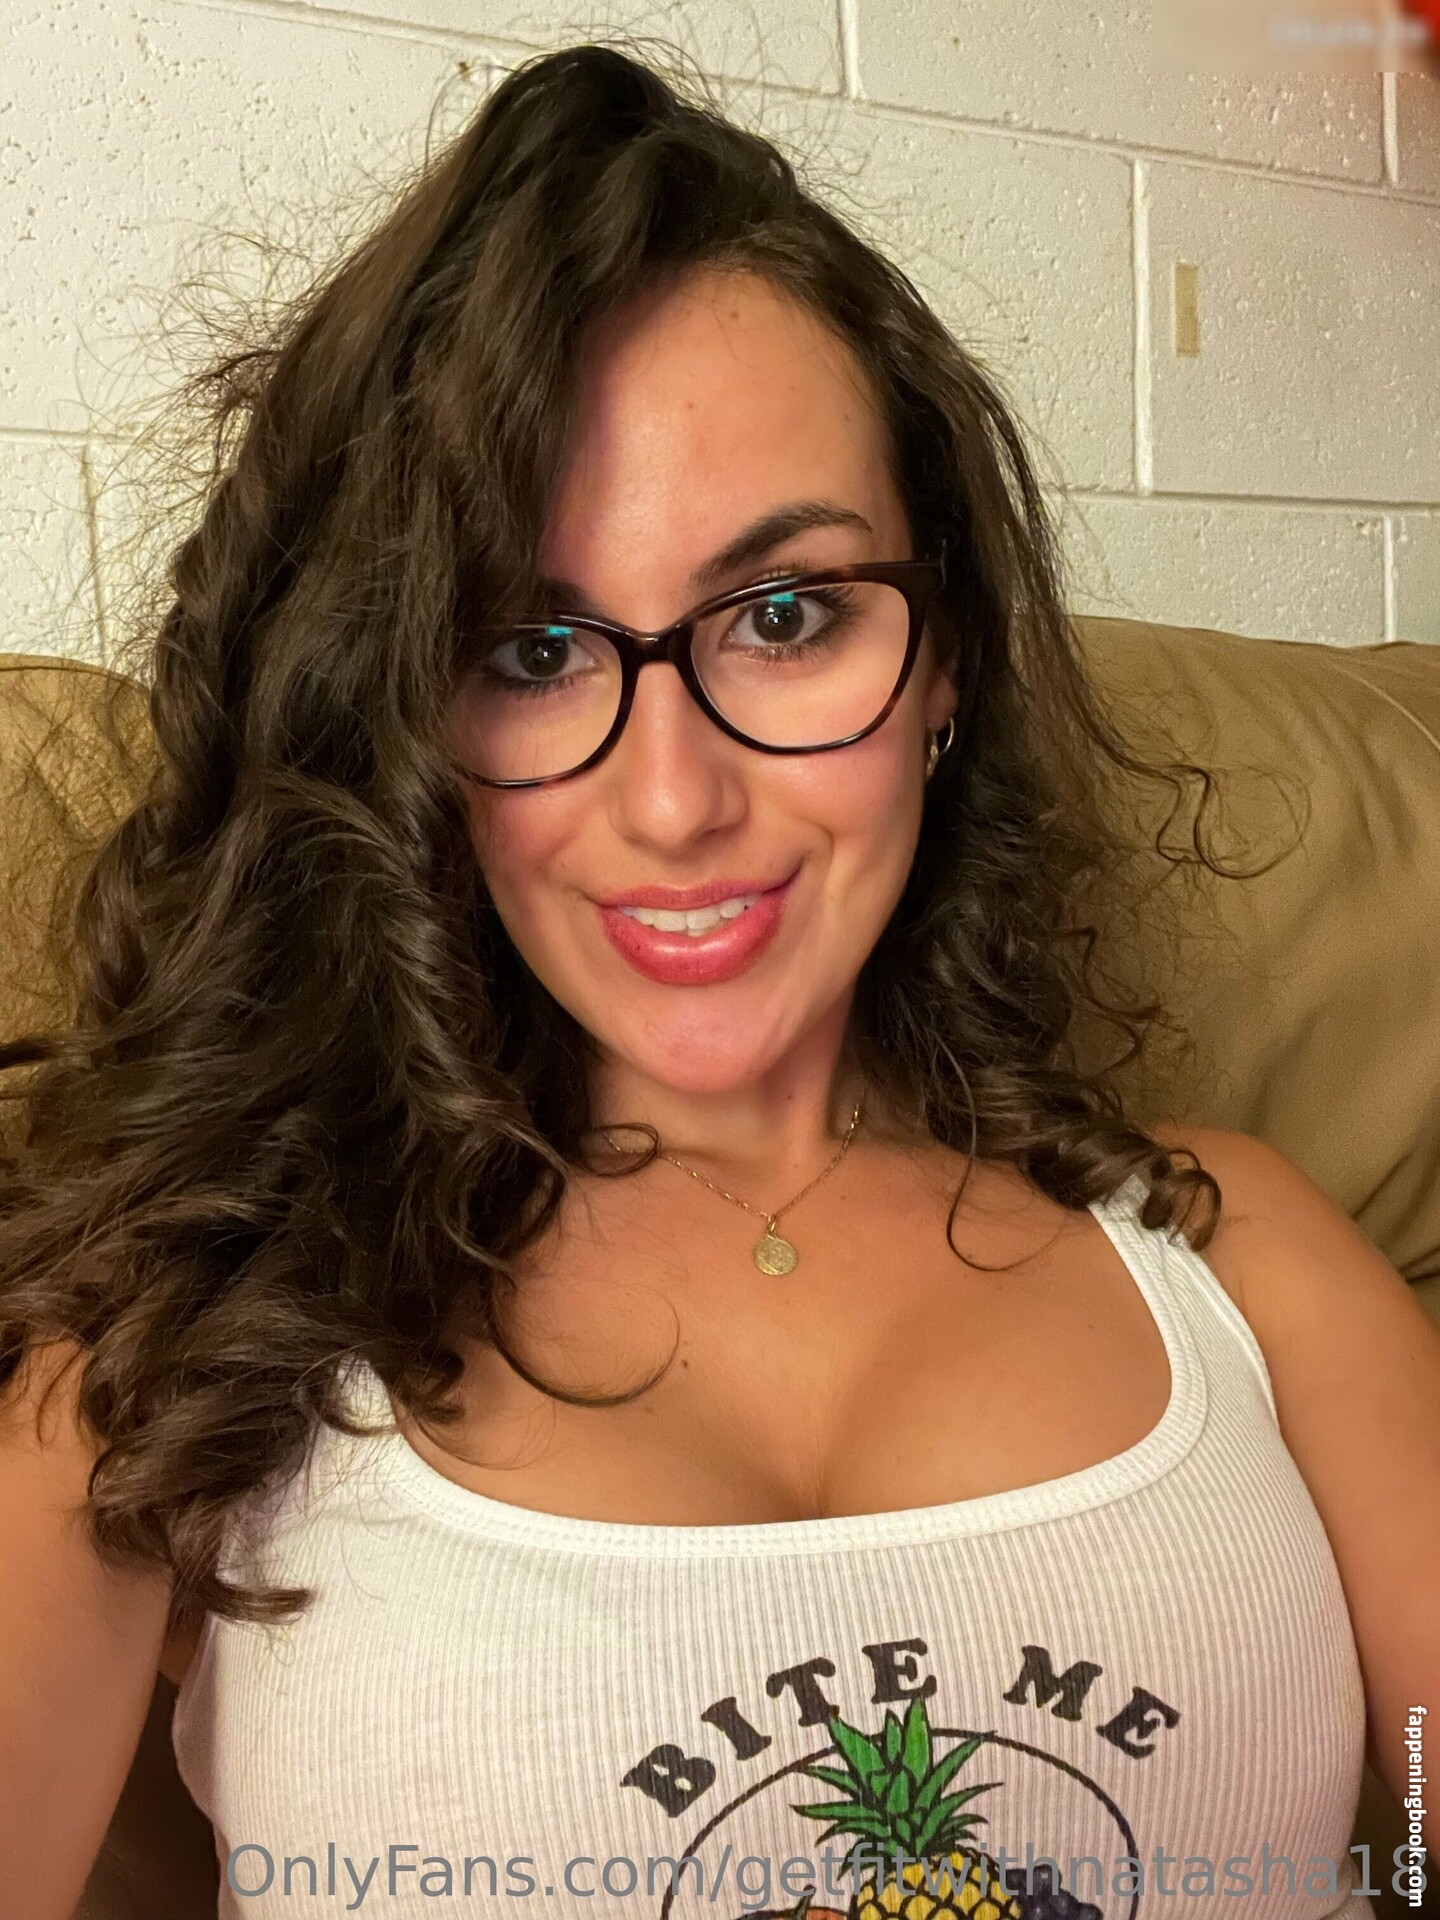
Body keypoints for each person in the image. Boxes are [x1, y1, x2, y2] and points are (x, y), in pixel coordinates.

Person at [1, 43, 1435, 1920]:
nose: (675, 801)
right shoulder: (179, 1345)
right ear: (403, 720)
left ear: (943, 664)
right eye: (530, 648)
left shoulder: (1242, 1260)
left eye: (783, 614)